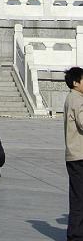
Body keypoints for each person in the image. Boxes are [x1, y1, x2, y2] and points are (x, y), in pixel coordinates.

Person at [63, 66, 83, 240]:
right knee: (79, 198)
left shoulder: (72, 97)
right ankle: (76, 235)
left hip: (74, 154)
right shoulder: (77, 100)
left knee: (78, 196)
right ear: (76, 83)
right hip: (80, 155)